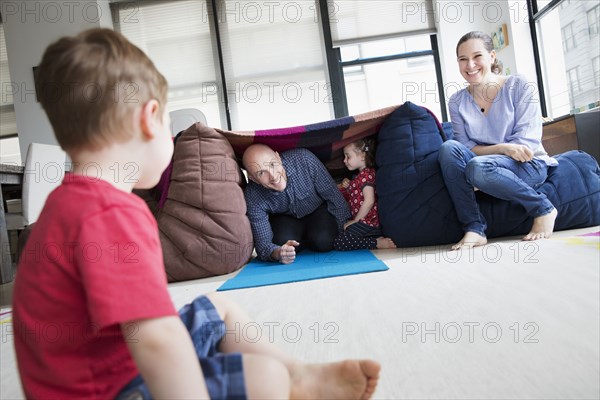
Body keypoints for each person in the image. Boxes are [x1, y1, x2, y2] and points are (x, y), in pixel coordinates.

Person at [12, 28, 381, 399]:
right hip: (112, 388)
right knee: (264, 377)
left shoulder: (62, 208)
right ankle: (285, 380)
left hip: (97, 366)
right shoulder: (113, 214)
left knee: (218, 309)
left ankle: (300, 377)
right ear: (149, 119)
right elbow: (156, 343)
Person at [439, 31, 558, 250]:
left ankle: (543, 209)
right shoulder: (457, 101)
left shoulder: (518, 85)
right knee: (449, 148)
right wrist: (503, 147)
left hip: (527, 164)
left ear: (492, 57)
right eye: (463, 59)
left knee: (478, 168)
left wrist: (494, 155)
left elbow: (526, 144)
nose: (470, 65)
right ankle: (474, 228)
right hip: (485, 166)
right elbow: (464, 147)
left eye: (477, 56)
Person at [243, 144, 351, 264]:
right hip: (286, 219)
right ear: (252, 178)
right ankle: (302, 242)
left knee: (324, 241)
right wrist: (278, 253)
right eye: (261, 173)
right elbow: (263, 245)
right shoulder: (252, 194)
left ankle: (311, 239)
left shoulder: (304, 159)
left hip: (318, 210)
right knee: (280, 242)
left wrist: (345, 231)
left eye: (273, 164)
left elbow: (334, 198)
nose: (273, 177)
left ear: (278, 157)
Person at [334, 139, 396, 251]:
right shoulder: (360, 176)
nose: (344, 160)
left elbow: (369, 200)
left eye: (348, 157)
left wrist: (356, 220)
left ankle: (376, 243)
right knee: (340, 232)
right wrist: (349, 186)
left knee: (340, 242)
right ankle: (373, 238)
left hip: (369, 223)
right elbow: (357, 196)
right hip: (364, 222)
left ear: (362, 156)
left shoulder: (367, 175)